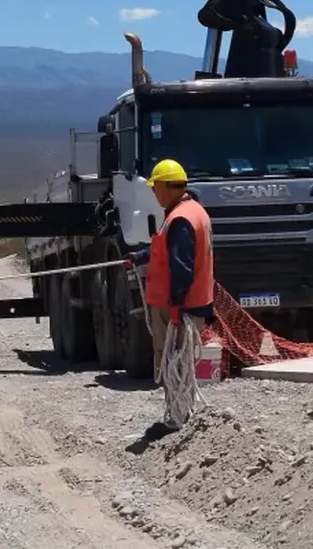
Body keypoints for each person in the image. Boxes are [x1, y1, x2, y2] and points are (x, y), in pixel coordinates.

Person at [124, 158, 214, 434]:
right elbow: (168, 251)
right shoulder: (192, 212)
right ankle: (180, 416)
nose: (153, 193)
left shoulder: (179, 220)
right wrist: (140, 256)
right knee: (179, 362)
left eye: (155, 187)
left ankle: (177, 420)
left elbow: (182, 267)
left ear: (166, 186)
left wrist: (175, 307)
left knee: (174, 361)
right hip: (194, 302)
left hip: (177, 306)